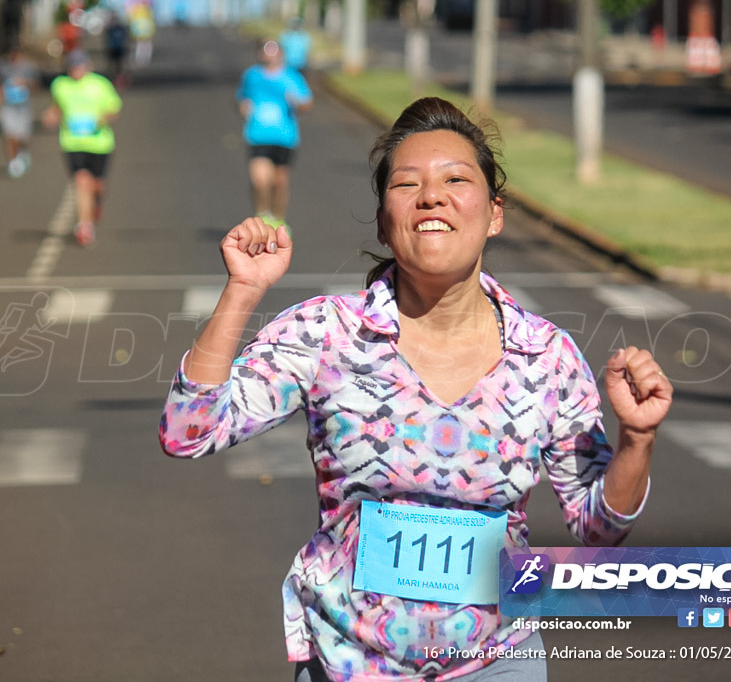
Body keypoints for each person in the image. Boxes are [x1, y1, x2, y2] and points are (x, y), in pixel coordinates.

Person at [158, 97, 672, 681]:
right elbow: (185, 433)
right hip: (350, 661)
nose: (432, 196)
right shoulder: (328, 334)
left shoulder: (546, 357)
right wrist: (243, 292)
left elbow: (598, 528)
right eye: (408, 184)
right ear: (384, 220)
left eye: (456, 179)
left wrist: (637, 439)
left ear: (494, 213)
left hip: (497, 662)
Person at [42, 50, 122, 246]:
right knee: (81, 181)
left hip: (99, 144)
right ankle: (84, 225)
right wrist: (51, 116)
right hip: (73, 142)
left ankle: (97, 204)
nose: (76, 70)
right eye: (73, 67)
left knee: (97, 186)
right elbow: (58, 107)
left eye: (79, 66)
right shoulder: (60, 86)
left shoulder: (100, 85)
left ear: (87, 66)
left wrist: (100, 120)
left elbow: (114, 110)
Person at [235, 39, 312, 230]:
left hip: (284, 137)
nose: (270, 54)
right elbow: (242, 98)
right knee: (259, 179)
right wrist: (244, 108)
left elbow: (307, 103)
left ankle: (279, 220)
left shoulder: (291, 76)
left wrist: (297, 103)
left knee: (279, 181)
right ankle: (262, 216)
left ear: (281, 53)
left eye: (274, 50)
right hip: (258, 135)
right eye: (266, 50)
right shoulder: (251, 76)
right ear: (260, 53)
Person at [0, 44, 39, 178]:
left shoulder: (29, 67)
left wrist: (25, 83)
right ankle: (13, 164)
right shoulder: (1, 66)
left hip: (23, 106)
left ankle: (23, 153)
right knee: (9, 135)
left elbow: (36, 85)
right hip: (8, 106)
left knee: (22, 137)